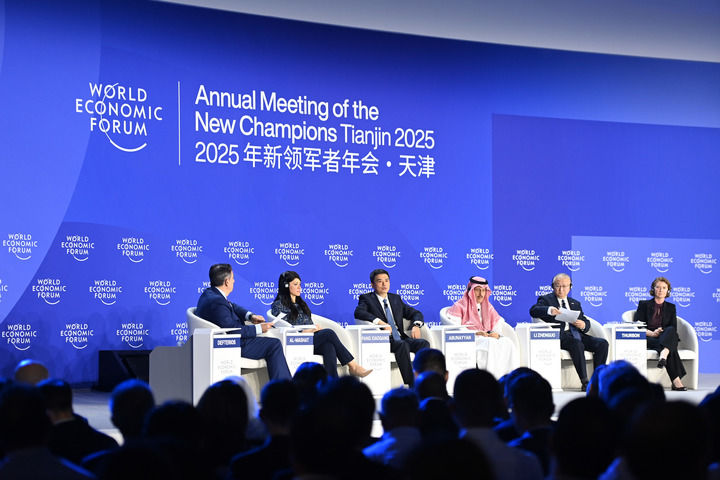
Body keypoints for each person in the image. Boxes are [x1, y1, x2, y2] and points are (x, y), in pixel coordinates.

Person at [196, 263, 291, 380]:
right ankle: (283, 387)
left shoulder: (210, 294)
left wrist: (250, 316)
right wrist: (260, 328)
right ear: (227, 282)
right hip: (234, 344)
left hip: (224, 341)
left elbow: (232, 306)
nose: (234, 281)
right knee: (274, 345)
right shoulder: (218, 302)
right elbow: (234, 331)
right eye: (232, 278)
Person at [271, 271, 371, 378]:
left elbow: (309, 323)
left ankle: (332, 383)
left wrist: (314, 329)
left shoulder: (301, 304)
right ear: (286, 286)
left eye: (300, 284)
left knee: (329, 346)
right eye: (295, 284)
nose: (299, 287)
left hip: (311, 339)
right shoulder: (278, 305)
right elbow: (285, 327)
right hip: (297, 340)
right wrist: (307, 331)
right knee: (328, 333)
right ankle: (353, 366)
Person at [530, 273, 608, 391]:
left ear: (570, 287)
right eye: (557, 286)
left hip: (577, 334)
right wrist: (549, 310)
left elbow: (585, 320)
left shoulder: (575, 303)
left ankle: (597, 380)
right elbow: (533, 310)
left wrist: (583, 325)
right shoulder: (546, 299)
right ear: (553, 286)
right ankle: (585, 382)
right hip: (560, 336)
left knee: (602, 343)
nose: (561, 289)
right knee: (577, 344)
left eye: (564, 286)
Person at [354, 269, 429, 387]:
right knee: (402, 345)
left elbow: (415, 313)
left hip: (401, 338)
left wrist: (416, 325)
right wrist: (380, 323)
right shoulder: (367, 298)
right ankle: (412, 384)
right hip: (384, 340)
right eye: (380, 281)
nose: (384, 284)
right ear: (372, 284)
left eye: (387, 281)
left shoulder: (395, 299)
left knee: (423, 343)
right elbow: (359, 312)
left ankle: (424, 380)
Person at [446, 276, 519, 379]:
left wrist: (496, 334)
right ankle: (491, 378)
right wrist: (475, 333)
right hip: (471, 339)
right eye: (477, 290)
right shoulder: (459, 306)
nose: (481, 294)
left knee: (508, 342)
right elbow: (455, 329)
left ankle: (508, 378)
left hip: (487, 337)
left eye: (483, 290)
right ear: (471, 290)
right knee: (490, 343)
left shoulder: (488, 307)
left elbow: (498, 326)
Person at [634, 276, 687, 390]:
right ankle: (676, 380)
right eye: (658, 287)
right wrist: (652, 333)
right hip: (648, 337)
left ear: (668, 290)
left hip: (664, 336)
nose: (661, 290)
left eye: (664, 288)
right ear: (653, 289)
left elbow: (673, 327)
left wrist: (660, 331)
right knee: (670, 346)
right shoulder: (643, 304)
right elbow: (638, 325)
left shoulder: (671, 307)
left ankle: (664, 354)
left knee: (671, 331)